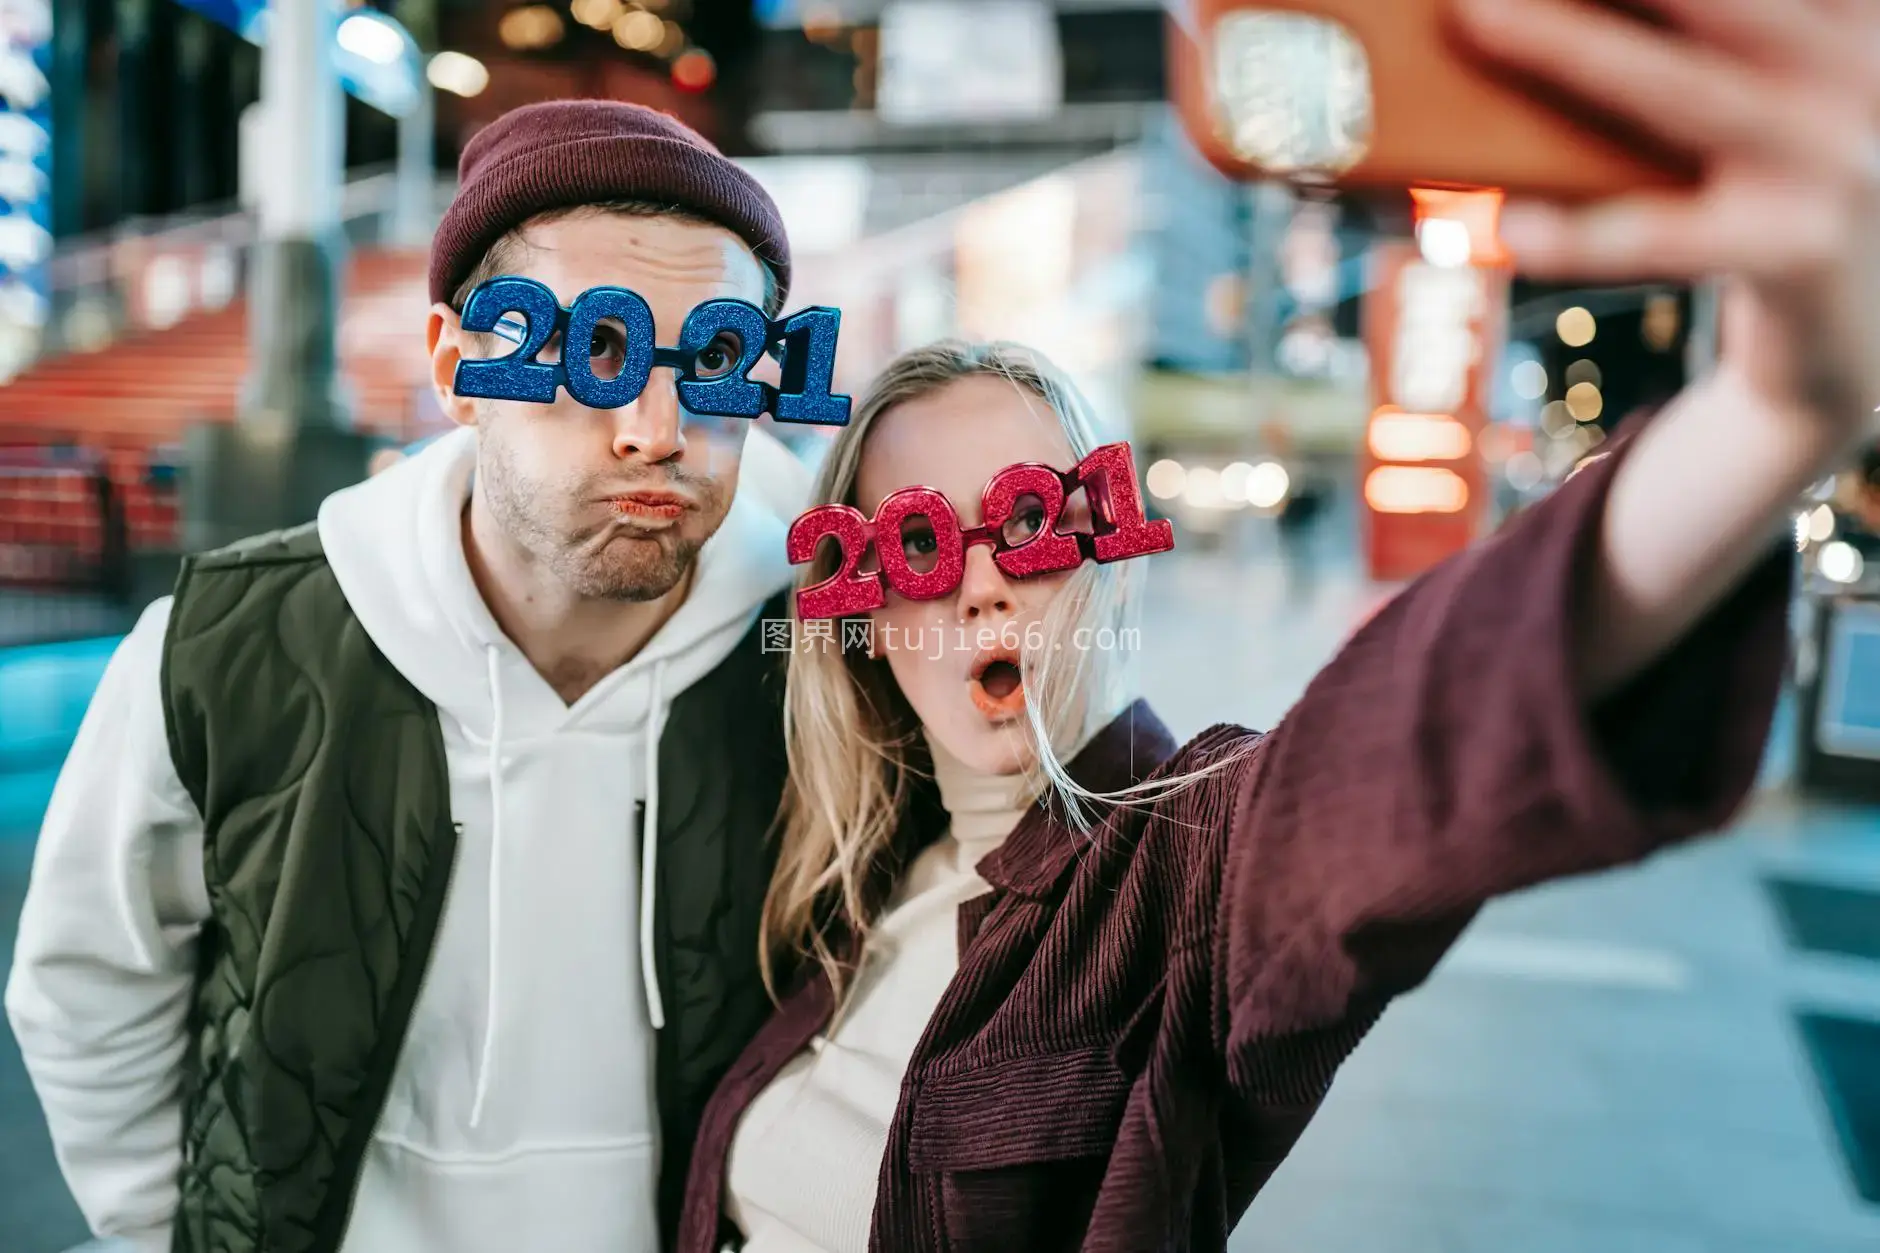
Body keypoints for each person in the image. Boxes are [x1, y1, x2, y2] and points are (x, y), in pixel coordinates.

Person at [675, 1, 1880, 1249]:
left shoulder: (1184, 865)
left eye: (1033, 524)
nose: (982, 584)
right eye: (920, 545)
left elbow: (1402, 748)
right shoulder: (833, 883)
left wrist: (1775, 403)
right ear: (863, 616)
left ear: (1102, 561)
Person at [7, 100, 810, 1253]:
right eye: (592, 350)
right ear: (456, 367)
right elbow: (90, 983)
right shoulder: (224, 649)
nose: (655, 428)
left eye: (720, 361)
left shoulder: (820, 659)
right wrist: (161, 1233)